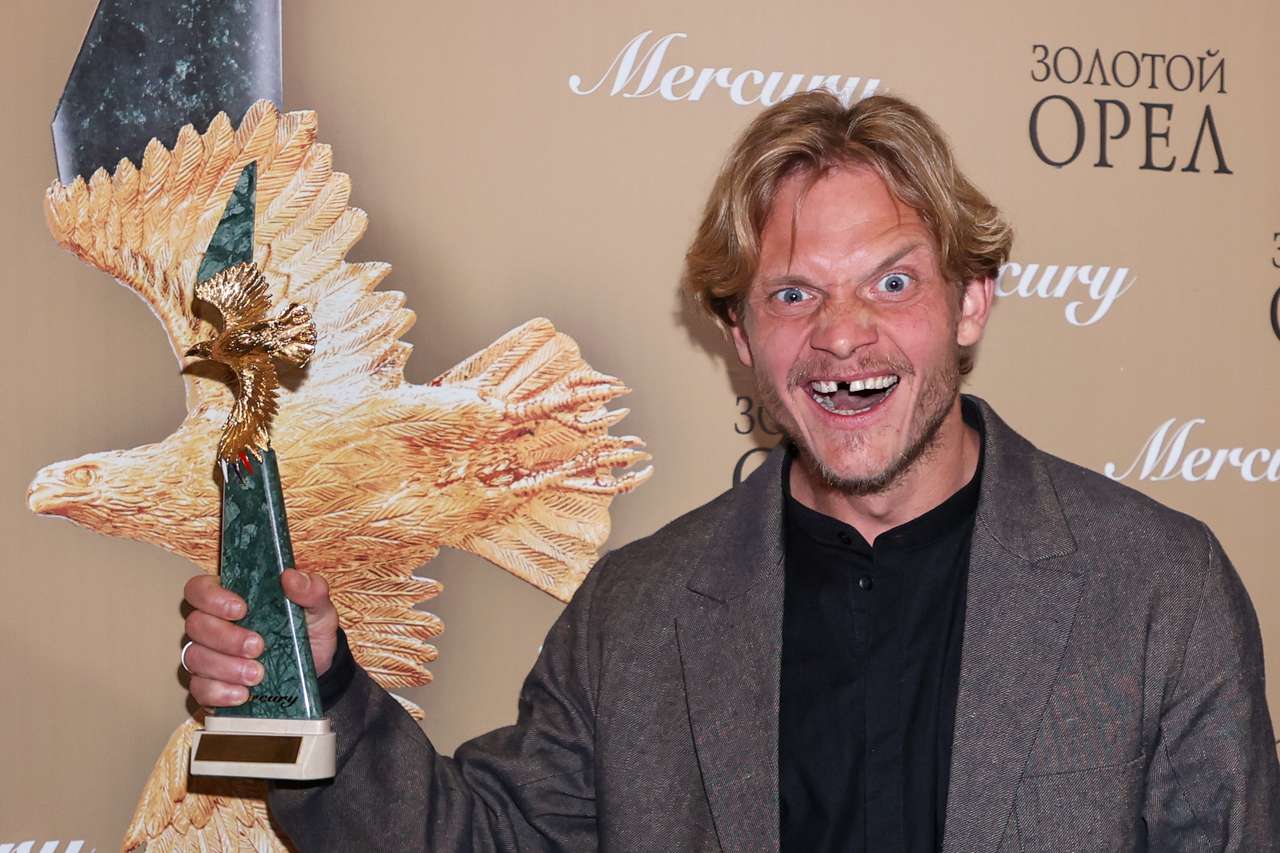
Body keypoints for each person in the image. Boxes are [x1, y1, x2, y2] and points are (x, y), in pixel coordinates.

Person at [181, 91, 1280, 851]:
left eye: (892, 283)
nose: (841, 334)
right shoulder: (637, 613)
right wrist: (321, 687)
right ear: (742, 337)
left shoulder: (1158, 589)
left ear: (970, 303)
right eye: (793, 294)